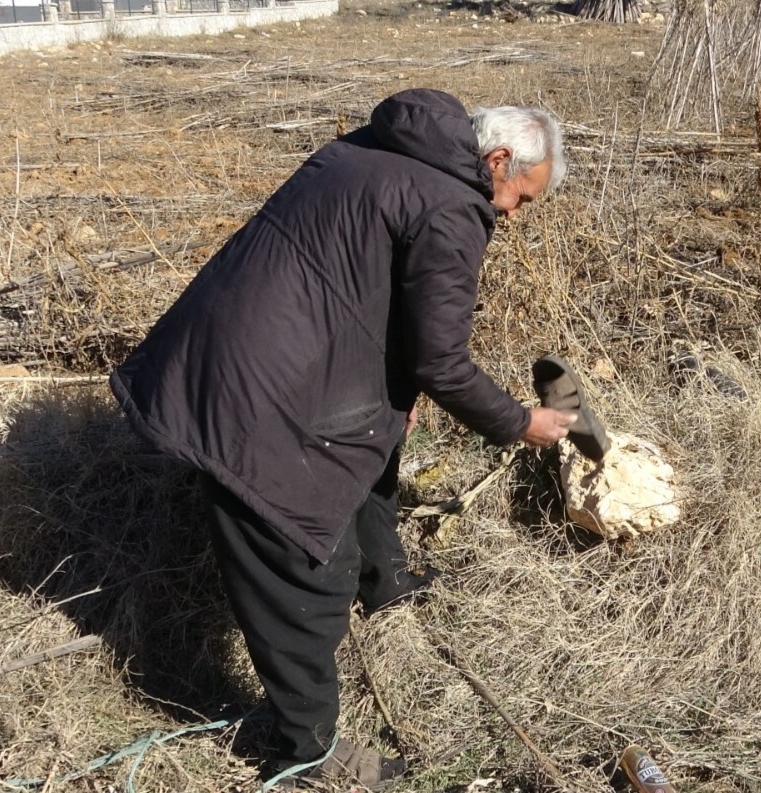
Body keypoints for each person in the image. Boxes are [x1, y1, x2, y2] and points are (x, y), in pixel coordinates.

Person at [109, 88, 576, 788]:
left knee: (378, 436)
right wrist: (519, 421)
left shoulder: (375, 148)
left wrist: (396, 392)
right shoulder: (454, 205)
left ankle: (385, 581)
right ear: (500, 159)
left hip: (227, 344)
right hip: (265, 391)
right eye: (522, 199)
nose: (510, 215)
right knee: (302, 561)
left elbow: (365, 287)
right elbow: (441, 361)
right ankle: (308, 754)